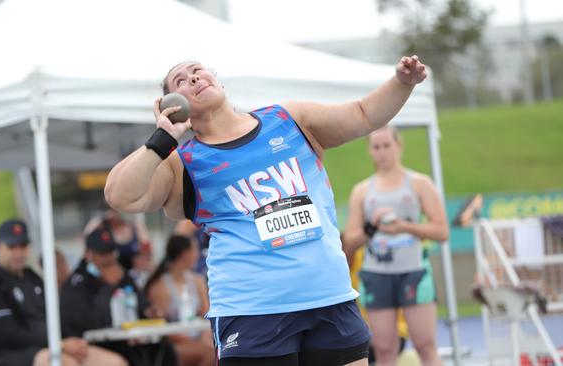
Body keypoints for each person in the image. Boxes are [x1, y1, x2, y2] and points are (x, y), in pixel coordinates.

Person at [105, 55, 427, 366]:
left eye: (198, 70)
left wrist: (401, 83)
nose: (193, 78)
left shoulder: (288, 118)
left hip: (329, 298)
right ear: (173, 103)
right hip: (252, 312)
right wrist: (162, 138)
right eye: (181, 80)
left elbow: (363, 114)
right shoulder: (183, 162)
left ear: (216, 79)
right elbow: (121, 196)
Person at [342, 127, 449, 366]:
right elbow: (350, 241)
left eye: (386, 145)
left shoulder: (420, 183)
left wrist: (405, 227)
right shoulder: (361, 191)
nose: (382, 152)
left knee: (425, 346)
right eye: (376, 147)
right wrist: (372, 227)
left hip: (414, 273)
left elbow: (441, 231)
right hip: (377, 275)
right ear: (370, 151)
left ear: (398, 146)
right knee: (385, 350)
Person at [0, 219, 127, 366]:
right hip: (12, 356)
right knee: (66, 363)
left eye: (23, 246)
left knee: (115, 363)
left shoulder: (31, 278)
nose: (18, 253)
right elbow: (8, 335)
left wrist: (71, 340)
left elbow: (55, 317)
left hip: (52, 346)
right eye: (12, 247)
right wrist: (59, 344)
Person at [60, 225, 178, 366]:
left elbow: (140, 303)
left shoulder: (120, 273)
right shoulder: (77, 283)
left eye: (111, 252)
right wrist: (107, 286)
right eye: (103, 253)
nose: (109, 258)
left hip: (127, 339)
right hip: (95, 344)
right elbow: (86, 323)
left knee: (166, 352)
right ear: (89, 254)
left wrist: (150, 311)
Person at [145, 234, 215, 366]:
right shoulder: (159, 286)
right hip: (173, 344)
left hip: (199, 339)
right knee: (210, 353)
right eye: (194, 249)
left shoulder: (197, 280)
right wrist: (194, 341)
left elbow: (206, 314)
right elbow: (161, 325)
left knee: (215, 350)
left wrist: (204, 337)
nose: (197, 254)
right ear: (184, 254)